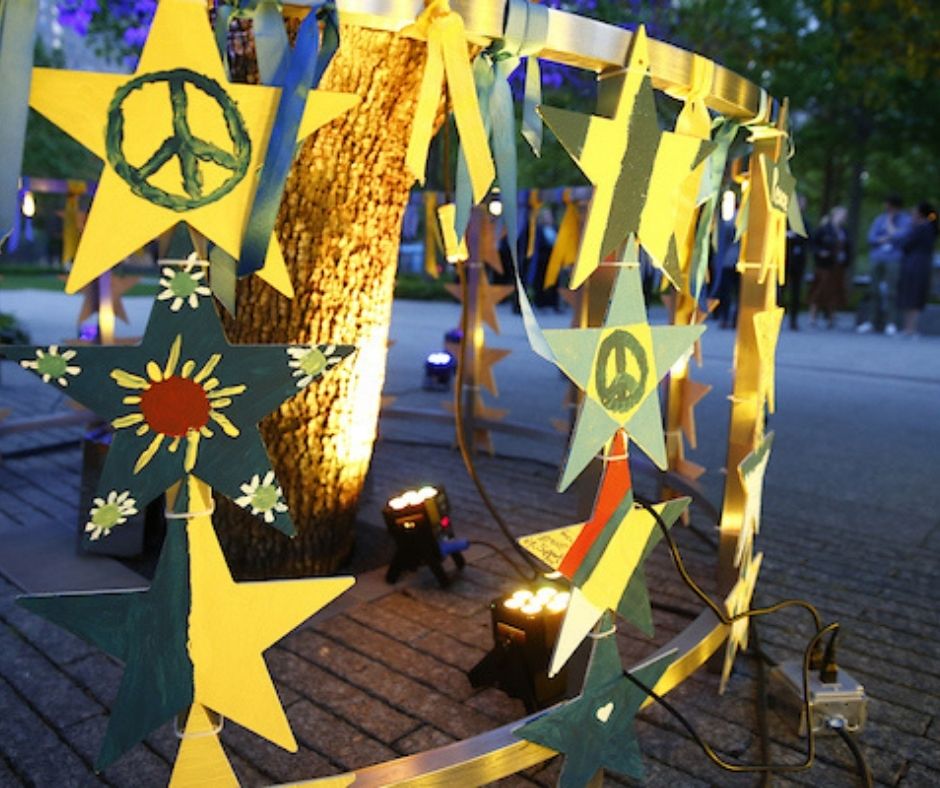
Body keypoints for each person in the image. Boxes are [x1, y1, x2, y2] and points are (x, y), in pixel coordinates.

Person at [858, 195, 911, 335]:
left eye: (888, 205)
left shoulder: (905, 220)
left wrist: (890, 226)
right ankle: (871, 321)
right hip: (877, 257)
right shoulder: (879, 219)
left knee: (892, 291)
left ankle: (890, 323)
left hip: (894, 258)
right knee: (873, 290)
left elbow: (902, 237)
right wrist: (887, 237)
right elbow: (871, 238)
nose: (886, 208)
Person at [897, 202, 938, 337]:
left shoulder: (921, 228)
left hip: (913, 263)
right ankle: (910, 328)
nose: (912, 214)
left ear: (920, 213)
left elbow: (906, 244)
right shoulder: (931, 227)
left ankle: (910, 328)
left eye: (914, 211)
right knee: (916, 293)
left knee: (911, 293)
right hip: (923, 263)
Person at [808, 206, 850, 328]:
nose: (844, 217)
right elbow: (814, 244)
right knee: (819, 290)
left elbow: (848, 247)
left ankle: (831, 317)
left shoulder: (844, 231)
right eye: (842, 215)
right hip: (825, 265)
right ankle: (813, 317)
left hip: (838, 265)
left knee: (835, 291)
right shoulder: (824, 229)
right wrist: (820, 252)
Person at [784, 197, 812, 330]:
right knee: (781, 288)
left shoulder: (805, 222)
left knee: (796, 290)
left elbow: (809, 238)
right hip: (785, 257)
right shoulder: (785, 219)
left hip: (799, 259)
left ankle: (793, 319)